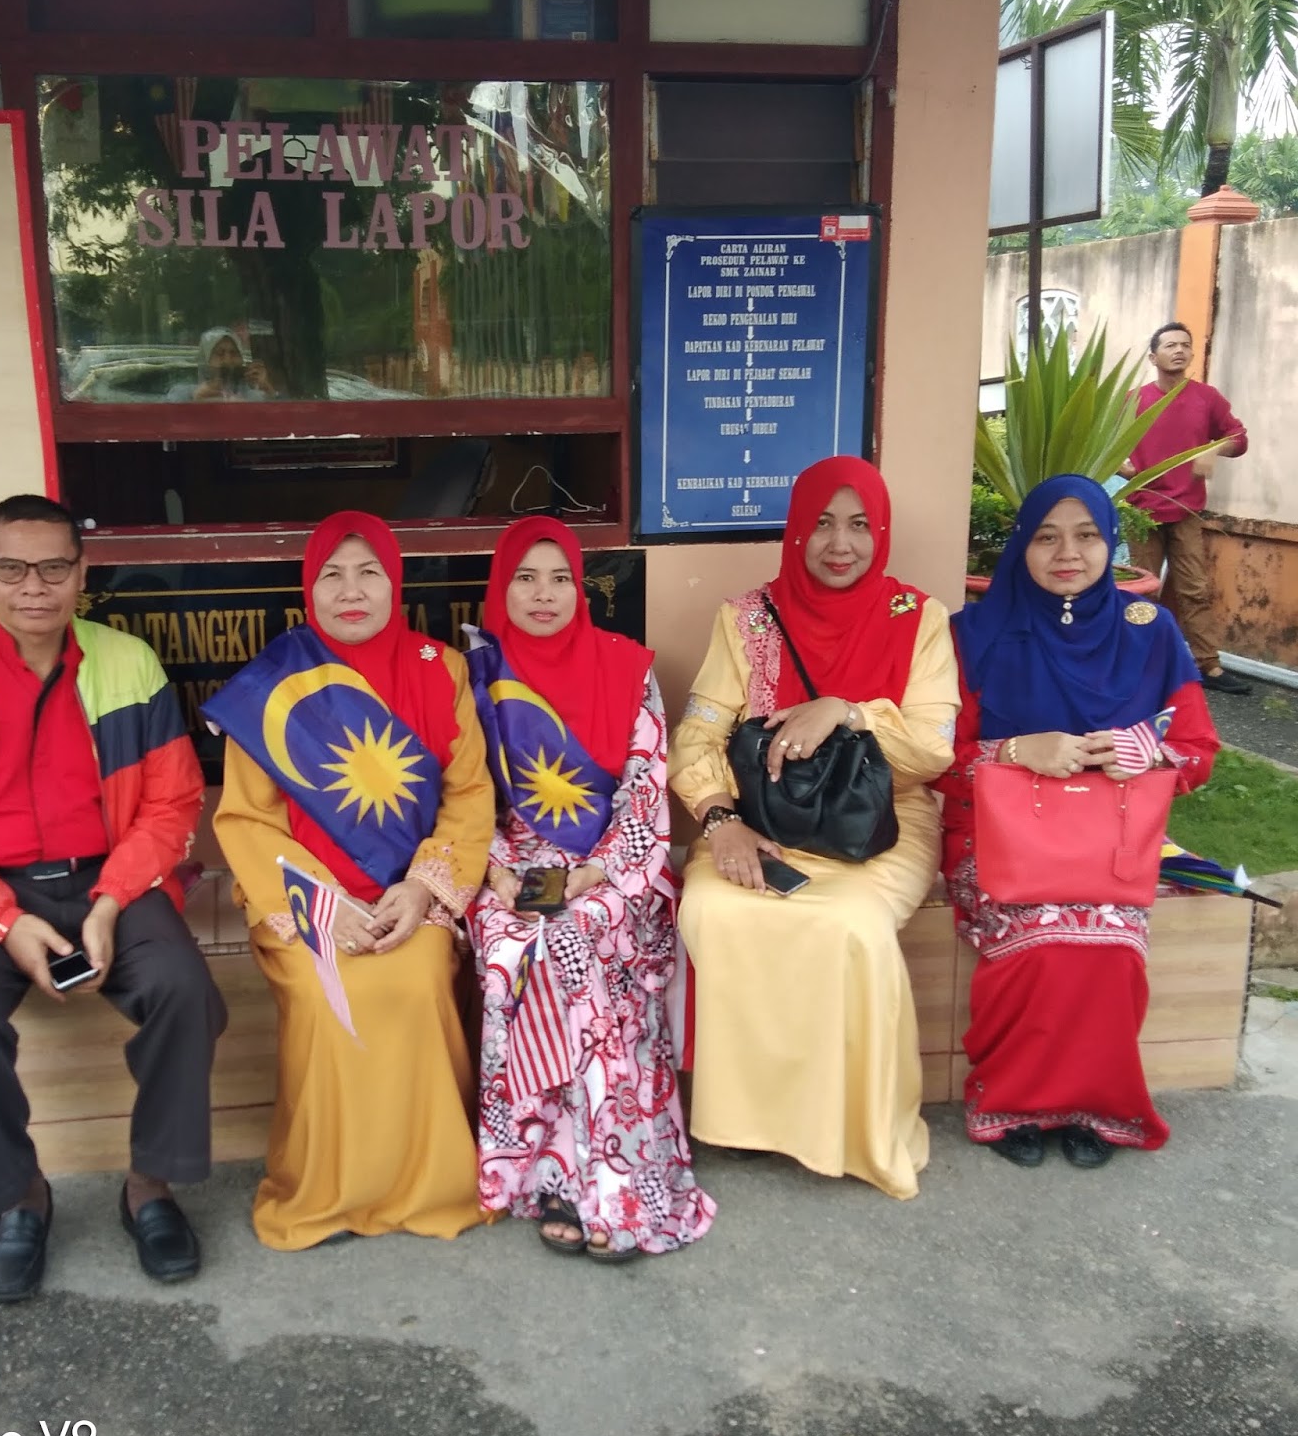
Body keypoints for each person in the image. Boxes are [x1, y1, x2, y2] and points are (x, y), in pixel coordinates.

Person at [0, 495, 226, 1301]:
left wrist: (111, 900)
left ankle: (149, 1186)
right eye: (13, 567)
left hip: (108, 877)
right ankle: (20, 1195)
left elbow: (173, 801)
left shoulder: (127, 663)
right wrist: (6, 920)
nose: (35, 586)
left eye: (54, 566)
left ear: (81, 572)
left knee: (185, 990)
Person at [669, 457, 960, 1200]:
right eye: (822, 523)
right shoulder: (747, 618)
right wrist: (720, 821)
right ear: (796, 531)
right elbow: (697, 734)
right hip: (759, 818)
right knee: (714, 906)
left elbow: (933, 748)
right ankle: (748, 1120)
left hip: (882, 822)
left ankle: (844, 1126)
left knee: (851, 924)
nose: (840, 543)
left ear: (881, 532)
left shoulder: (917, 618)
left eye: (859, 525)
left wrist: (847, 711)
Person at [207, 512, 495, 1250]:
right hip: (308, 901)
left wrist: (422, 889)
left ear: (395, 582)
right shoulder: (270, 686)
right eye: (331, 575)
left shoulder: (440, 670)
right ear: (309, 589)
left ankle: (433, 1187)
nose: (351, 591)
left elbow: (468, 795)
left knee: (418, 977)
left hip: (410, 894)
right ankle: (325, 1194)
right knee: (325, 990)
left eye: (369, 572)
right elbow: (247, 820)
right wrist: (321, 906)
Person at [937, 474, 1220, 1169]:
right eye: (1047, 537)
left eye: (1087, 535)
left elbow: (1197, 749)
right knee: (1036, 938)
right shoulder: (974, 634)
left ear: (1110, 542)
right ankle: (1012, 1100)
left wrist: (1146, 752)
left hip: (1112, 840)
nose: (1069, 553)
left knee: (1110, 941)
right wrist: (1014, 752)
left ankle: (1096, 1103)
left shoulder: (1151, 632)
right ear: (1021, 547)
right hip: (998, 836)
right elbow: (935, 759)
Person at [465, 517, 715, 1261]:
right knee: (515, 950)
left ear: (582, 589)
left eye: (561, 579)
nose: (544, 595)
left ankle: (619, 1176)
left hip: (613, 864)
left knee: (584, 939)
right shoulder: (474, 677)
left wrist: (593, 873)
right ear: (501, 587)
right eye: (525, 578)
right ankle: (545, 1169)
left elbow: (645, 791)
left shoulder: (626, 668)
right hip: (507, 864)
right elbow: (463, 792)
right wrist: (497, 872)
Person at [1122, 321, 1250, 694]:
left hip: (1187, 511)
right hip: (1143, 511)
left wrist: (1215, 449)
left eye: (1185, 345)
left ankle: (1208, 665)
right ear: (1153, 357)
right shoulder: (1132, 400)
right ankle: (1141, 665)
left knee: (1195, 588)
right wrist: (1120, 466)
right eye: (1170, 345)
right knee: (1143, 590)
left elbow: (1239, 438)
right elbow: (1103, 442)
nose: (1179, 350)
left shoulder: (1206, 398)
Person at [184, 326, 274, 401]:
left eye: (234, 353)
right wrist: (196, 401)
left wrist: (267, 390)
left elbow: (272, 411)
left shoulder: (250, 393)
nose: (227, 360)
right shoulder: (184, 391)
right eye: (220, 353)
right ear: (205, 360)